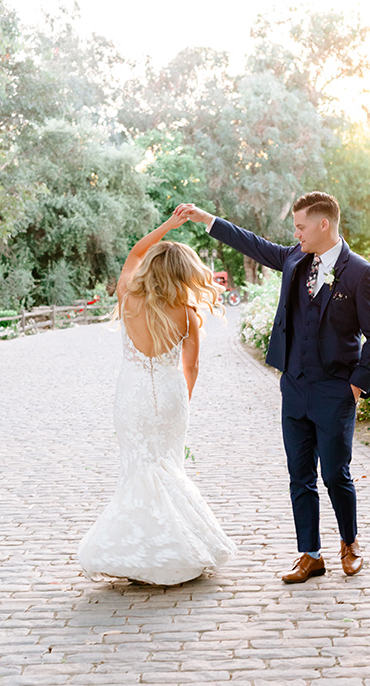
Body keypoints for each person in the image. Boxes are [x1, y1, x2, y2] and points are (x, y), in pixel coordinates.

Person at [175, 193, 370, 582]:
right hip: (294, 387)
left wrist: (356, 387)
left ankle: (350, 542)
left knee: (335, 474)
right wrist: (207, 218)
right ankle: (310, 555)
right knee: (299, 474)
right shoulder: (294, 259)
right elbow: (253, 244)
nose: (296, 233)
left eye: (301, 226)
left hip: (335, 391)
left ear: (324, 224)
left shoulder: (360, 273)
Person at [77, 212, 237, 585]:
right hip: (169, 398)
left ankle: (137, 554)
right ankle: (177, 548)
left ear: (150, 267)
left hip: (131, 396)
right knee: (168, 468)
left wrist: (168, 226)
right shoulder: (188, 314)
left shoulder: (128, 298)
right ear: (184, 274)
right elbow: (191, 368)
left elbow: (135, 251)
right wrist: (183, 403)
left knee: (137, 469)